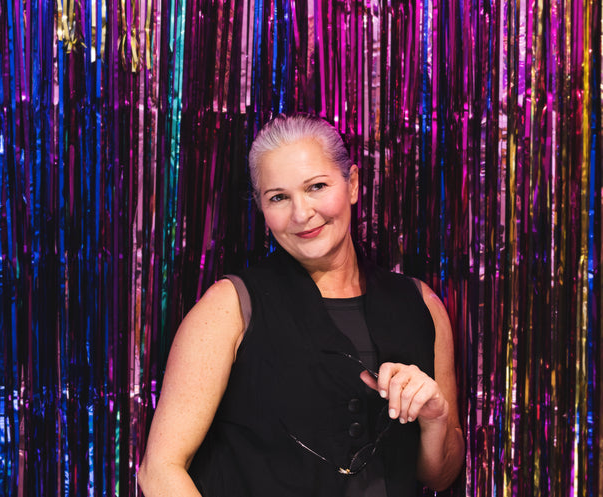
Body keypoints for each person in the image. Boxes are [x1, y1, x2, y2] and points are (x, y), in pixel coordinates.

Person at [138, 113, 464, 496]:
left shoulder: (421, 304)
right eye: (278, 197)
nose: (301, 213)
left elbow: (440, 476)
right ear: (261, 208)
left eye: (317, 186)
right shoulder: (228, 307)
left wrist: (436, 420)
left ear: (353, 184)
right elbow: (160, 470)